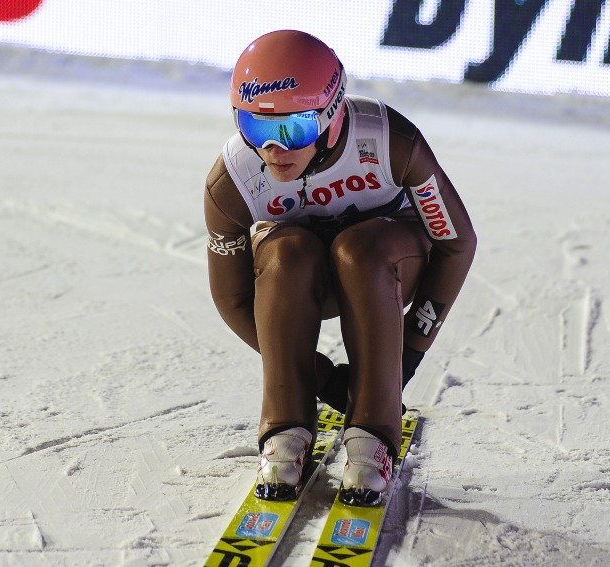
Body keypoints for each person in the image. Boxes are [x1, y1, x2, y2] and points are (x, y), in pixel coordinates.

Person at [204, 30, 476, 506]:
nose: (274, 149)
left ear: (332, 115)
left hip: (385, 265)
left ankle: (374, 429)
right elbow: (232, 298)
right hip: (305, 278)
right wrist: (319, 377)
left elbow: (456, 243)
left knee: (359, 248)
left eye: (293, 130)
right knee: (285, 253)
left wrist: (405, 359)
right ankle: (284, 423)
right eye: (256, 127)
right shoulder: (233, 180)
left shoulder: (389, 141)